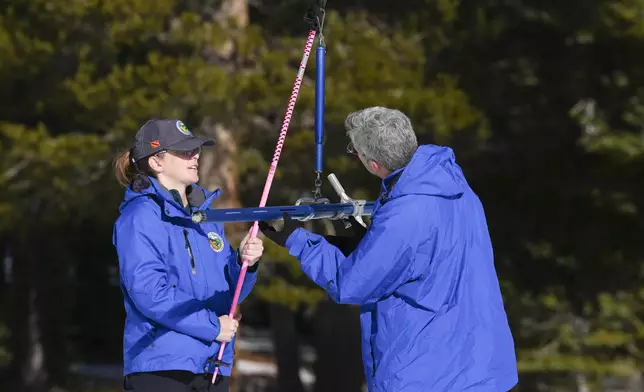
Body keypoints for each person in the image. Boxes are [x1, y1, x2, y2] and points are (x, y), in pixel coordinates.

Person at [259, 107, 518, 391]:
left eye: (353, 150)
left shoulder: (406, 212)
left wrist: (296, 239)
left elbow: (351, 285)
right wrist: (367, 241)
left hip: (430, 374)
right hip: (480, 364)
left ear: (372, 164)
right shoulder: (452, 185)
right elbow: (424, 256)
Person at [112, 118, 264, 392]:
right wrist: (211, 326)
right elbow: (148, 292)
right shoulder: (140, 216)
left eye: (195, 149)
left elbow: (230, 294)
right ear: (156, 162)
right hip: (163, 367)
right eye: (183, 151)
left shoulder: (205, 216)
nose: (195, 156)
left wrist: (244, 263)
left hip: (213, 364)